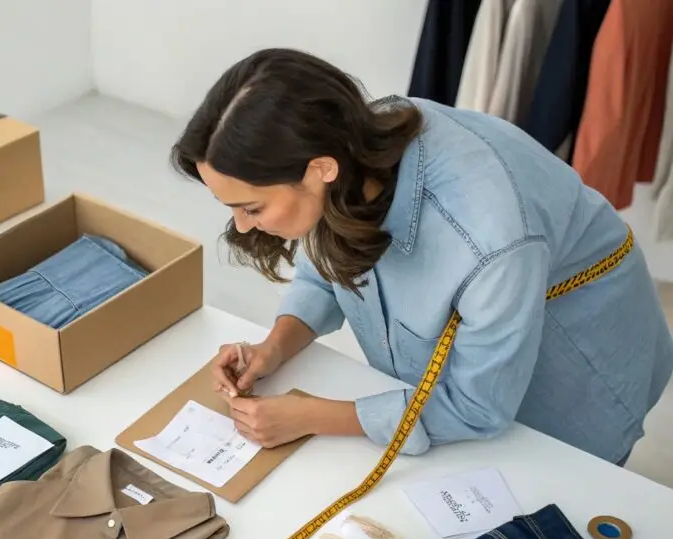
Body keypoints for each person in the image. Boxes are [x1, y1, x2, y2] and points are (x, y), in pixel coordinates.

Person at [171, 47, 673, 466]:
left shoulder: (486, 238)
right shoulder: (350, 153)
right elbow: (331, 265)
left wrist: (310, 416)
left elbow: (478, 407)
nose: (240, 224)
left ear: (319, 168)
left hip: (578, 350)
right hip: (504, 300)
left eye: (251, 206)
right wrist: (274, 348)